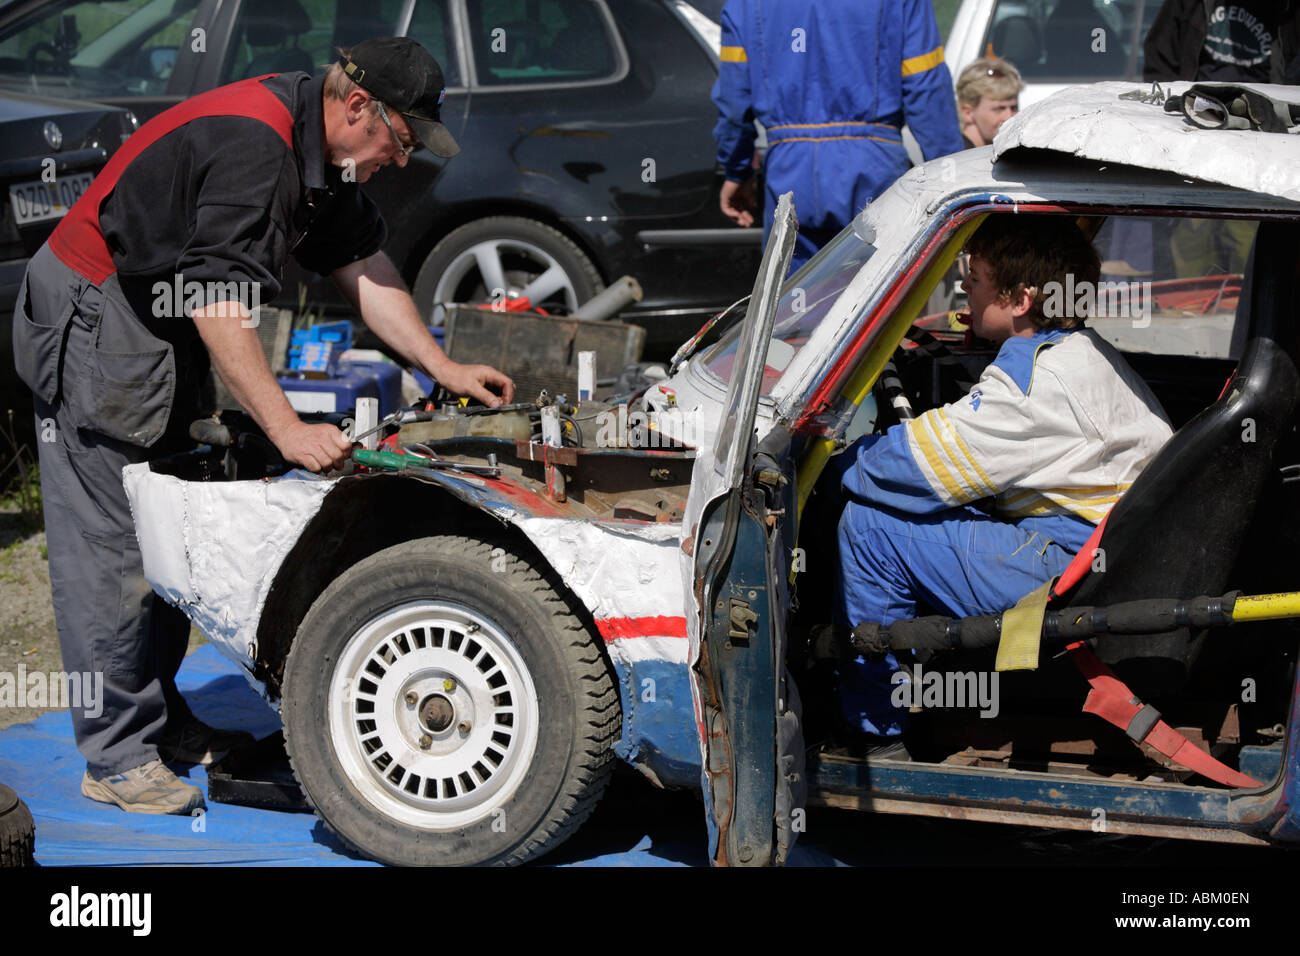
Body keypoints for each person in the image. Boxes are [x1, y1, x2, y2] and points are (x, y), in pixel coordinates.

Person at [11, 37, 515, 814]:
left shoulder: (326, 153)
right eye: (401, 141)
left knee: (165, 520)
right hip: (97, 309)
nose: (402, 161)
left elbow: (366, 267)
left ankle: (159, 720)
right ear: (357, 108)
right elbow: (219, 305)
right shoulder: (257, 148)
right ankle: (114, 756)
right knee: (110, 542)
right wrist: (287, 431)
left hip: (160, 315)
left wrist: (438, 367)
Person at [833, 216, 1173, 752]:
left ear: (1020, 298)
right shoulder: (1083, 353)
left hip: (1069, 570)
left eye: (977, 277)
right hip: (1110, 559)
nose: (964, 287)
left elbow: (906, 469)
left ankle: (876, 732)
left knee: (868, 526)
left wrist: (824, 464)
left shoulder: (1032, 383)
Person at [712, 0, 963, 272]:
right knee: (880, 303)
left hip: (791, 174)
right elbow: (928, 91)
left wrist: (737, 171)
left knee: (795, 306)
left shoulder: (745, 4)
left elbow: (734, 104)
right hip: (874, 171)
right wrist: (954, 183)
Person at [1144, 0, 1300, 85]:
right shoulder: (1194, 4)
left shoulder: (1289, 13)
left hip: (1265, 118)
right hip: (1194, 111)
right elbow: (1159, 61)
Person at [955, 56, 1024, 149]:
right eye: (998, 109)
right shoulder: (955, 157)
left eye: (1013, 108)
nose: (1009, 117)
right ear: (967, 112)